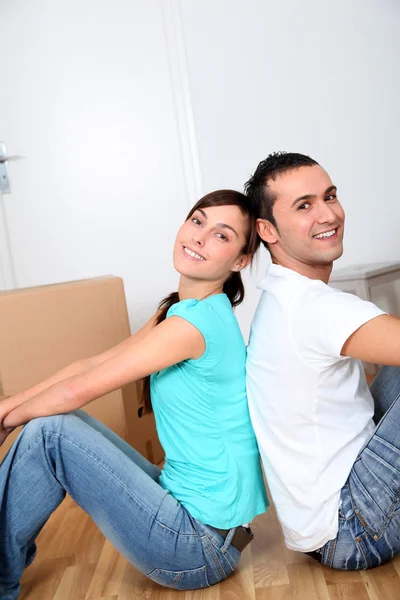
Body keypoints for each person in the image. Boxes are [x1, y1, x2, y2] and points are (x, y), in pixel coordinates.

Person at [0, 190, 268, 598]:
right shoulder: (181, 312)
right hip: (198, 521)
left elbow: (79, 388)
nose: (199, 237)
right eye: (197, 221)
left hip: (200, 545)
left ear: (240, 260)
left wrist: (8, 419)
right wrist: (6, 408)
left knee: (51, 432)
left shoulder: (193, 327)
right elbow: (92, 364)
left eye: (221, 235)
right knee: (55, 423)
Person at [244, 152, 400, 570]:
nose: (328, 214)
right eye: (304, 206)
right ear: (267, 230)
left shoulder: (280, 294)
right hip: (354, 527)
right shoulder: (311, 306)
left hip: (324, 523)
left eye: (329, 196)